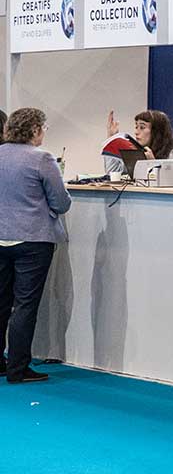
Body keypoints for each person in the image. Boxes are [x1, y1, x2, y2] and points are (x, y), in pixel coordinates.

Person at [0, 108, 71, 384]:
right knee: (25, 305)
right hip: (33, 239)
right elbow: (61, 202)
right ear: (34, 130)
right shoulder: (42, 159)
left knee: (1, 303)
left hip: (1, 236)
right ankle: (18, 368)